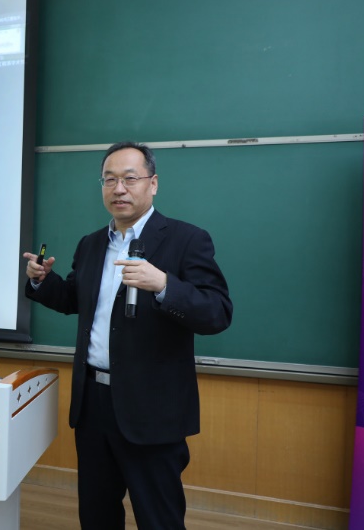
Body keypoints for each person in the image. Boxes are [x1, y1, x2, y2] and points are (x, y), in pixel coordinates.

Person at [22, 141, 232, 529]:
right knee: (97, 515)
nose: (119, 189)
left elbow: (217, 312)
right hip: (94, 404)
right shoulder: (91, 244)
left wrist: (165, 284)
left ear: (153, 183)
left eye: (130, 179)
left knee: (159, 518)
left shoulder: (187, 239)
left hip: (152, 408)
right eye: (109, 180)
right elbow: (75, 299)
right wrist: (42, 281)